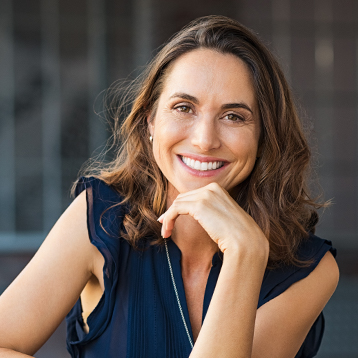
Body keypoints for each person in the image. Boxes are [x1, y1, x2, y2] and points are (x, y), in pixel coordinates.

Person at [0, 15, 339, 358]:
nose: (204, 140)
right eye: (183, 108)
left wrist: (244, 255)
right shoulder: (100, 218)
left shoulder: (309, 269)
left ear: (265, 136)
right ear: (150, 121)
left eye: (233, 116)